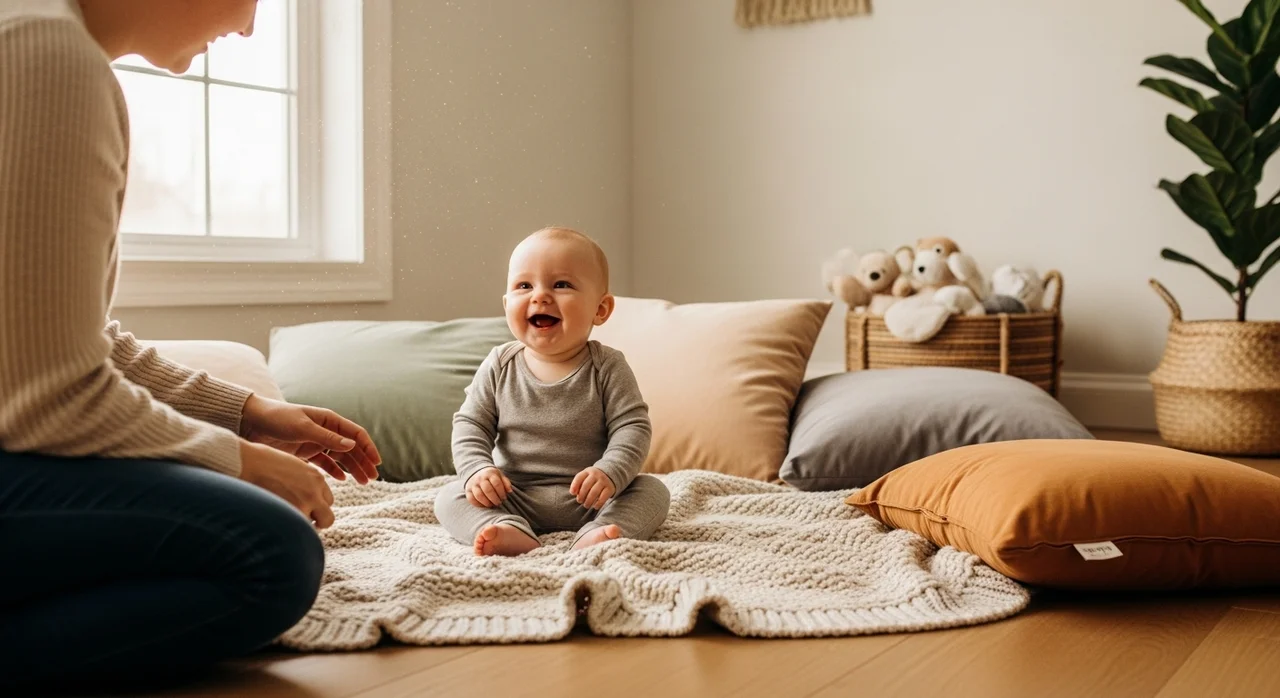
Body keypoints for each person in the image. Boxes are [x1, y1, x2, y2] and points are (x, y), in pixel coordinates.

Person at [0, 0, 382, 691]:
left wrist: (250, 415)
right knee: (272, 552)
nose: (249, 27)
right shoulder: (48, 56)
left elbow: (70, 343)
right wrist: (243, 463)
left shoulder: (40, 39)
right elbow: (50, 396)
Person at [434, 227, 670, 556]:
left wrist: (610, 472)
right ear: (507, 305)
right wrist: (479, 470)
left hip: (592, 498)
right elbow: (471, 424)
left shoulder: (608, 367)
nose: (540, 296)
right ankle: (506, 528)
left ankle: (600, 533)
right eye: (524, 286)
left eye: (561, 285)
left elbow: (632, 428)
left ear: (600, 309)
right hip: (513, 494)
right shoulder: (500, 365)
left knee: (653, 491)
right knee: (450, 496)